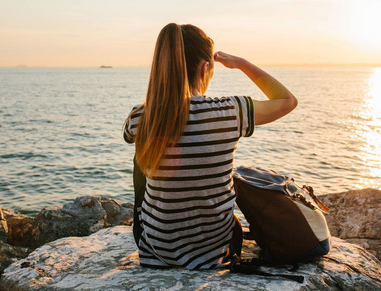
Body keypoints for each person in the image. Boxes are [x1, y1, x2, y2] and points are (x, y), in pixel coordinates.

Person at [123, 23, 297, 270]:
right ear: (205, 68)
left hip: (157, 249)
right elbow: (287, 101)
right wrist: (242, 63)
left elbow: (132, 135)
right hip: (214, 248)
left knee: (145, 153)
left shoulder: (140, 117)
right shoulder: (230, 109)